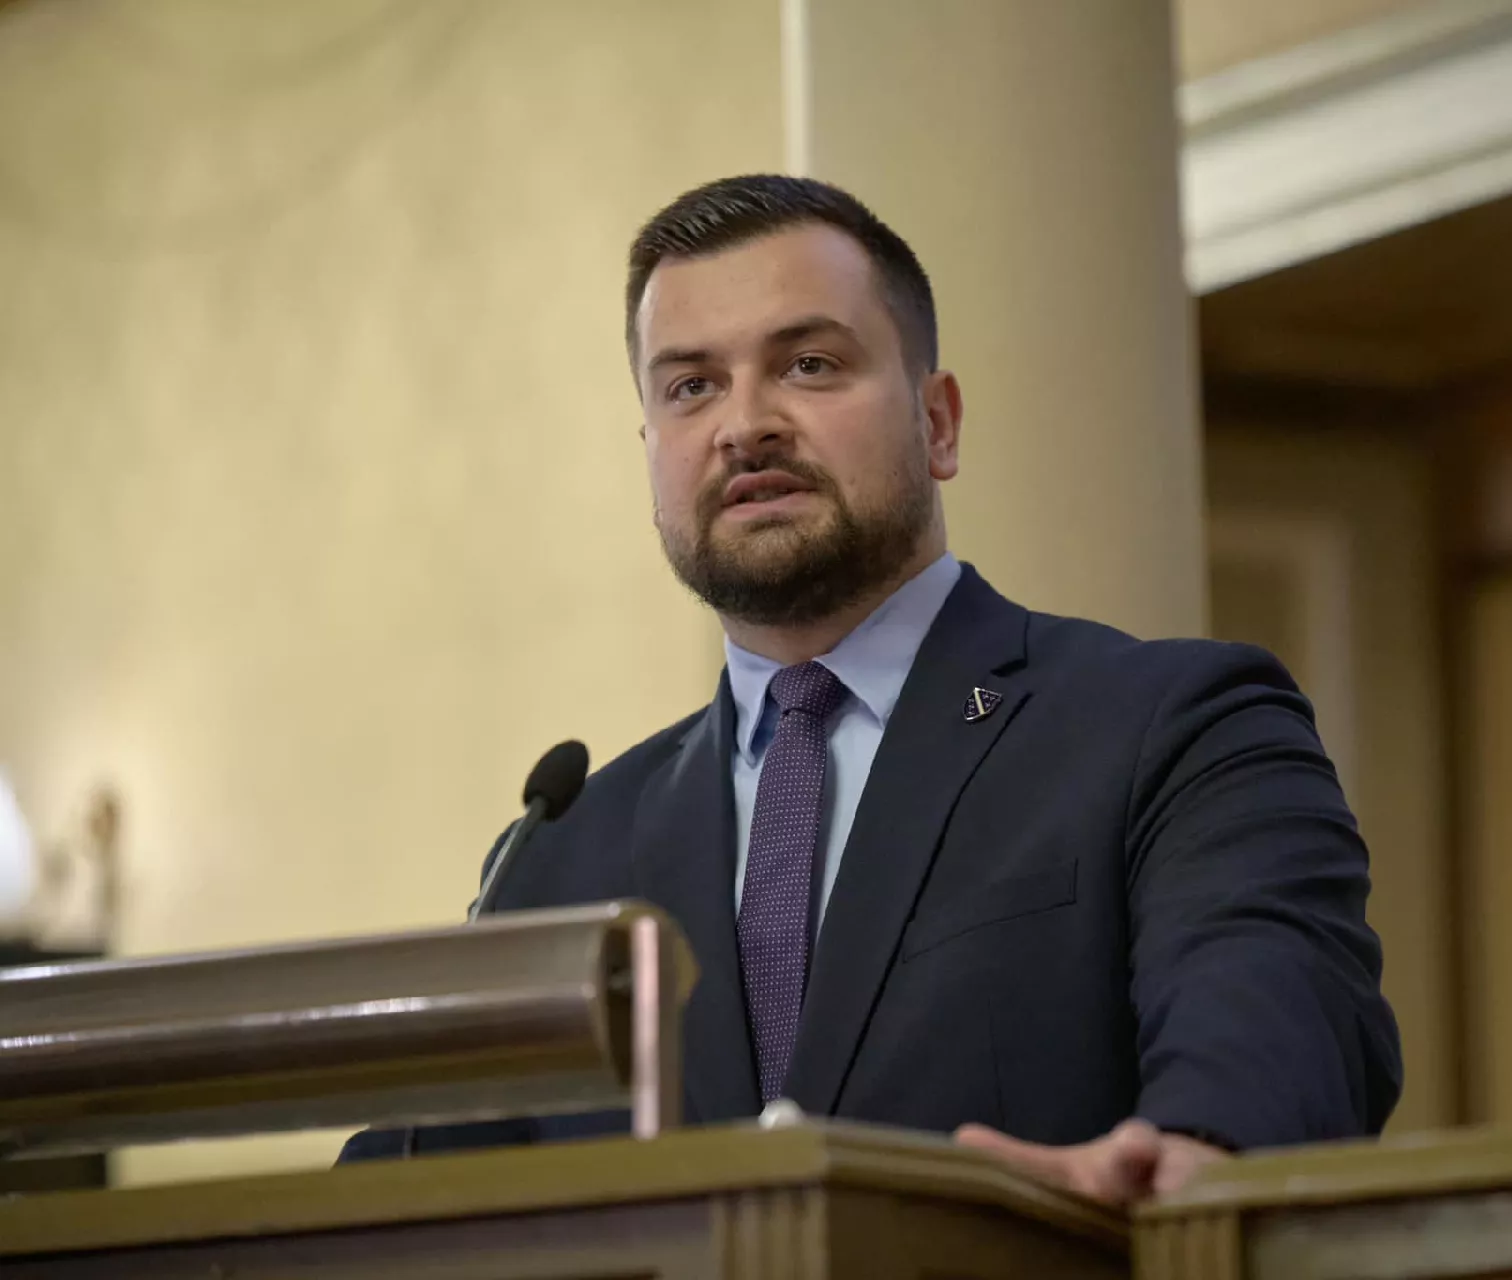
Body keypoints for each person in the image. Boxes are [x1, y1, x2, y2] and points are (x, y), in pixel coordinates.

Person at [340, 175, 1401, 1203]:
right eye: (691, 386)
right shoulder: (556, 859)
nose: (744, 424)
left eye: (808, 364)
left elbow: (1280, 1014)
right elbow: (401, 1204)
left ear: (937, 424)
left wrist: (1196, 1151)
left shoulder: (1175, 728)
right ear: (652, 449)